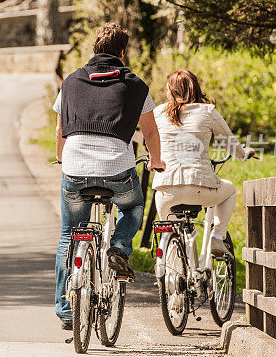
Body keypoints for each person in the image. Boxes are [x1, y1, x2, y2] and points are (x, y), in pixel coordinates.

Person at [53, 22, 165, 330]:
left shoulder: (71, 81)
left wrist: (63, 158)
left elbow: (61, 129)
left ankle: (65, 310)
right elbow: (151, 131)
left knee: (68, 234)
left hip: (74, 168)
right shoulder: (136, 85)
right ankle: (118, 247)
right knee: (132, 207)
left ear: (93, 49)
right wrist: (156, 162)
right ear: (122, 52)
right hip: (117, 170)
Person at [152, 70, 255, 256]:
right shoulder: (207, 111)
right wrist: (243, 154)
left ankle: (174, 268)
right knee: (230, 189)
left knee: (174, 239)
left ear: (171, 92)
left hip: (165, 191)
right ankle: (217, 237)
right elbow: (230, 144)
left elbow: (150, 142)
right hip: (199, 187)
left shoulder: (158, 112)